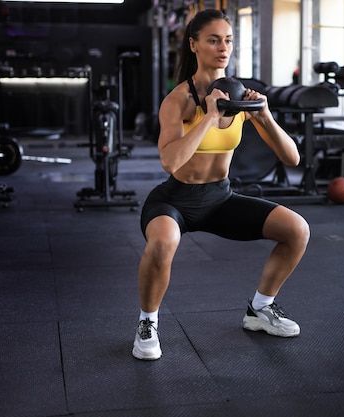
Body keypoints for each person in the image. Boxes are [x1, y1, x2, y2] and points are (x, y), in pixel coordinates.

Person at [132, 9, 310, 360]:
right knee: (164, 240)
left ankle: (260, 309)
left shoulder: (242, 96)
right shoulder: (178, 101)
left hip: (220, 197)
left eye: (228, 40)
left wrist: (265, 116)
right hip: (176, 200)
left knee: (297, 230)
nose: (222, 47)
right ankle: (147, 323)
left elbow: (293, 159)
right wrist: (211, 116)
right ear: (194, 44)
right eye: (213, 40)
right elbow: (170, 161)